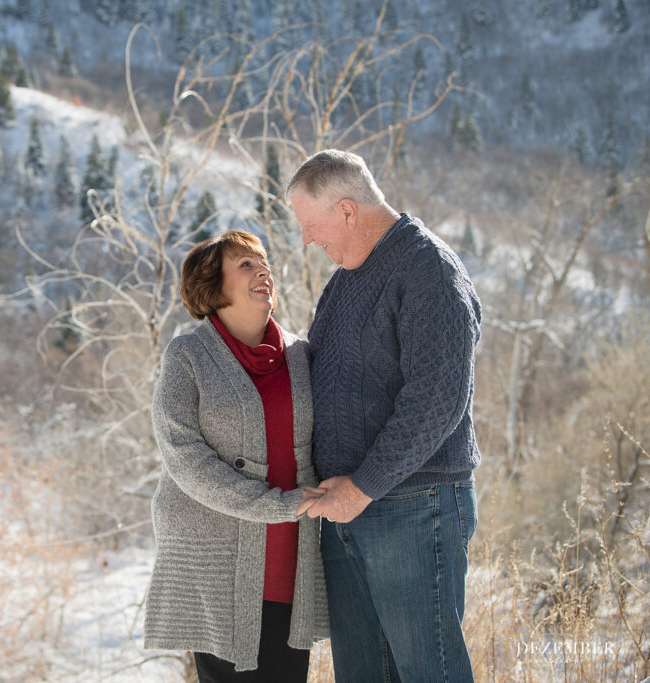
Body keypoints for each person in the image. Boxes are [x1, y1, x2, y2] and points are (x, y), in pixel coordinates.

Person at [288, 149, 482, 682]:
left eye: (311, 224)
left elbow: (437, 397)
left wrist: (363, 486)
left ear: (347, 210)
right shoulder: (349, 276)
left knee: (428, 673)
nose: (307, 239)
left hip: (412, 508)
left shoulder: (428, 271)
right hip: (350, 509)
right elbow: (324, 366)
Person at [143, 230, 329, 681]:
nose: (263, 270)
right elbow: (184, 457)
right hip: (215, 560)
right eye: (245, 264)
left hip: (291, 553)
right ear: (213, 286)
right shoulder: (186, 356)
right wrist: (273, 505)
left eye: (263, 262)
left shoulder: (301, 356)